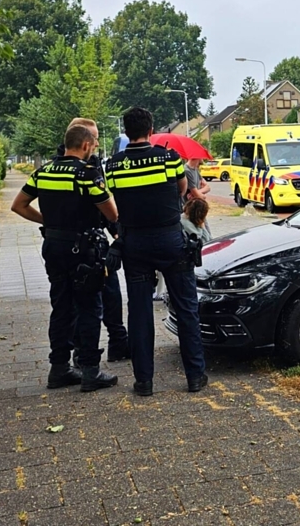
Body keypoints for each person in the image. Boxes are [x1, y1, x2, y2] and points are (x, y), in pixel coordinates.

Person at [104, 107, 207, 397]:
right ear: (151, 131)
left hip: (134, 244)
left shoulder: (113, 165)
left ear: (126, 132)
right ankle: (195, 376)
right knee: (186, 307)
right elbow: (181, 189)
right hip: (171, 241)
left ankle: (144, 382)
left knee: (139, 312)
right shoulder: (170, 158)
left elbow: (116, 197)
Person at [10, 122, 120, 392]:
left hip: (54, 246)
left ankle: (58, 368)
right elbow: (112, 214)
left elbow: (18, 205)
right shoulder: (86, 174)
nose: (94, 148)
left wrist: (48, 222)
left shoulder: (43, 171)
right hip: (84, 250)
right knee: (89, 308)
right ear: (84, 145)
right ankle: (90, 371)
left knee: (61, 307)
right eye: (93, 144)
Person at [57, 119, 129, 365]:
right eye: (94, 138)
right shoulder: (69, 166)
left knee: (111, 291)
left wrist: (116, 233)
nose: (97, 143)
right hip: (78, 244)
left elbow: (103, 203)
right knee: (82, 303)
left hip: (95, 238)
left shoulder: (94, 163)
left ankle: (117, 340)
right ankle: (82, 354)